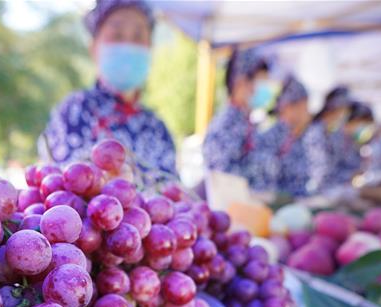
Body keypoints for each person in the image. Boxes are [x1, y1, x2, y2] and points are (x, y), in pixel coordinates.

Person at [40, 0, 176, 181]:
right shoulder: (74, 111)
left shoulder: (157, 129)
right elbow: (66, 189)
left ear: (150, 48)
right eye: (117, 35)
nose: (128, 45)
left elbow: (174, 194)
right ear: (93, 48)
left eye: (138, 36)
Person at [202, 48, 273, 185]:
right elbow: (222, 177)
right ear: (240, 82)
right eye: (261, 82)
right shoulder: (226, 124)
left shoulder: (245, 122)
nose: (265, 90)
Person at [252, 77, 326, 197]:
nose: (307, 111)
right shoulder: (273, 135)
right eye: (303, 106)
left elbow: (314, 175)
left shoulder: (309, 136)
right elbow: (262, 173)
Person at [303, 86, 353, 192]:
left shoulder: (335, 134)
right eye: (343, 110)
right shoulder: (314, 132)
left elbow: (337, 165)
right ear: (334, 108)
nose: (344, 115)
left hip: (332, 187)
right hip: (315, 190)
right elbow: (318, 169)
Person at [332, 101, 374, 185]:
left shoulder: (355, 142)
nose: (365, 128)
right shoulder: (334, 139)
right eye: (363, 123)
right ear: (352, 121)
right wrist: (350, 176)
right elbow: (328, 173)